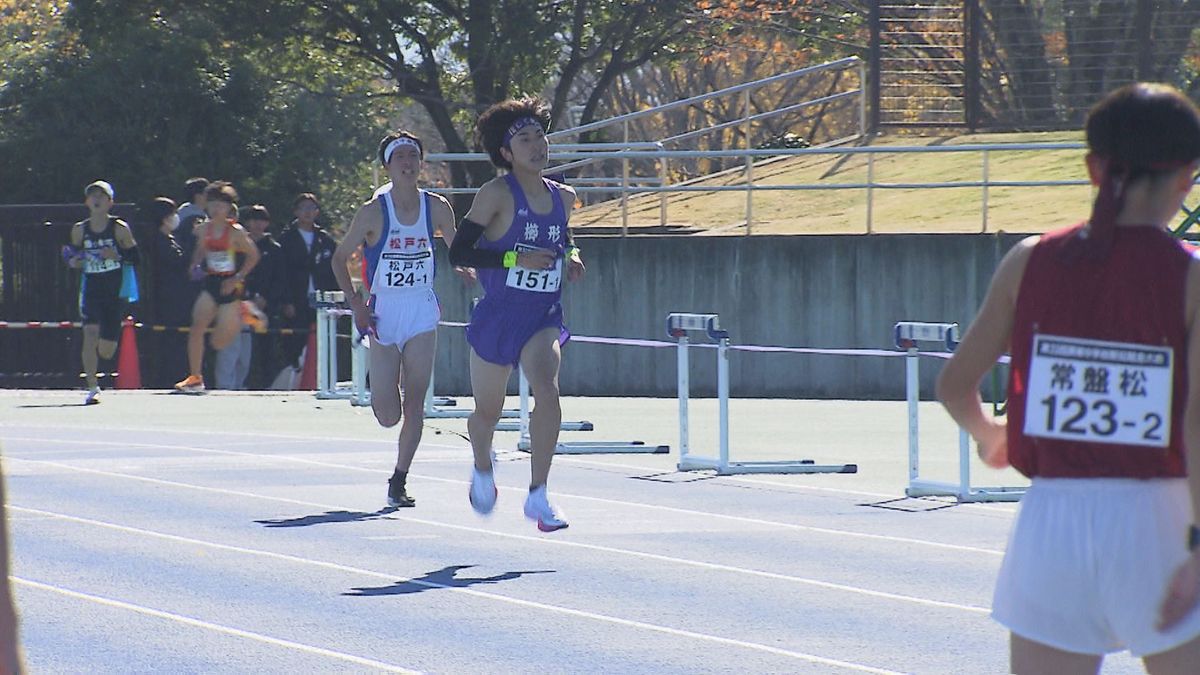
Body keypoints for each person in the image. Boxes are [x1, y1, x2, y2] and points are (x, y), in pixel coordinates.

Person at [937, 82, 1200, 673]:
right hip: (1158, 521)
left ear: (1092, 167)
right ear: (1188, 177)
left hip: (1050, 526)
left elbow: (955, 385)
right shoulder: (1189, 278)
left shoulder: (1028, 260)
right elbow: (1196, 422)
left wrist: (991, 434)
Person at [448, 98, 585, 532]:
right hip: (498, 316)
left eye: (540, 136)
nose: (536, 145)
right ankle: (482, 467)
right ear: (506, 153)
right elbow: (460, 250)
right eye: (524, 139)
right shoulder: (495, 195)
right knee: (487, 412)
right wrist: (513, 261)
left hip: (541, 315)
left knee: (548, 390)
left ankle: (539, 494)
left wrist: (574, 256)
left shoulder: (563, 195)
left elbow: (565, 236)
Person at [332, 131, 461, 507]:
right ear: (387, 165)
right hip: (384, 311)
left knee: (417, 403)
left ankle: (399, 479)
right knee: (389, 414)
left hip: (420, 307)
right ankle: (383, 386)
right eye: (400, 156)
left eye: (413, 156)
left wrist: (470, 268)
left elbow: (459, 248)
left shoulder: (436, 207)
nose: (407, 162)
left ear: (421, 163)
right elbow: (339, 259)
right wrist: (356, 303)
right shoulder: (373, 211)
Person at [174, 181, 261, 392]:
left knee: (222, 340)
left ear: (229, 207)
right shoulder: (203, 229)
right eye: (212, 204)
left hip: (230, 283)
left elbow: (253, 256)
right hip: (212, 281)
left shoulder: (236, 232)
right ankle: (195, 377)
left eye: (220, 205)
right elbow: (201, 249)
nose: (215, 209)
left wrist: (237, 278)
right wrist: (195, 264)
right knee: (196, 328)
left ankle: (246, 312)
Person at [63, 180, 140, 404]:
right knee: (90, 334)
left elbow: (136, 258)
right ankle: (92, 387)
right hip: (91, 289)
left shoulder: (119, 228)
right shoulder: (80, 230)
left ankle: (101, 360)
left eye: (102, 197)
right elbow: (71, 255)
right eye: (92, 196)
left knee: (106, 350)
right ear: (87, 201)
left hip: (114, 291)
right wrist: (74, 261)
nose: (96, 200)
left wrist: (115, 256)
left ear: (110, 202)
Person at [279, 193, 340, 376]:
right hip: (296, 299)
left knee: (323, 341)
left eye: (312, 208)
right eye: (303, 208)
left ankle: (321, 378)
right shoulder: (286, 239)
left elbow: (334, 271)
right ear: (296, 211)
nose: (308, 212)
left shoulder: (326, 240)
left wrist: (336, 299)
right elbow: (282, 273)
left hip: (321, 298)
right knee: (295, 341)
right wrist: (286, 301)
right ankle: (294, 378)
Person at [237, 204, 286, 389]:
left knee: (266, 348)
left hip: (266, 306)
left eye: (262, 220)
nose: (257, 224)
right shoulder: (240, 245)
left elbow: (280, 278)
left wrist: (266, 298)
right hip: (241, 303)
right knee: (240, 349)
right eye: (254, 219)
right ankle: (239, 384)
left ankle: (266, 385)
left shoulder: (274, 248)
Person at [145, 196, 192, 389]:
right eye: (172, 214)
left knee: (180, 340)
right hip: (167, 298)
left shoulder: (172, 238)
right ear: (164, 217)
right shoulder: (157, 240)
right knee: (170, 340)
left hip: (179, 297)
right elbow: (176, 263)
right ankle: (167, 378)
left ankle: (179, 375)